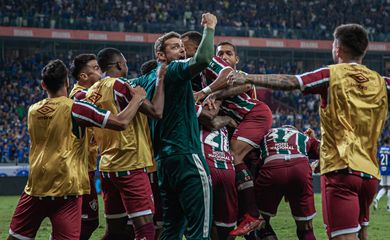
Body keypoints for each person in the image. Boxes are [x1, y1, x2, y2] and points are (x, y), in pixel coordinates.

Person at [229, 24, 388, 240]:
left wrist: (249, 78)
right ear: (365, 50)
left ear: (337, 49)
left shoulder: (332, 75)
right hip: (370, 176)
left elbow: (293, 82)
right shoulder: (382, 82)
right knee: (363, 235)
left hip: (342, 171)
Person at [8, 59, 148, 240]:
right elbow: (121, 122)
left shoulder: (32, 110)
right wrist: (137, 98)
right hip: (67, 189)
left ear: (43, 85)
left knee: (16, 237)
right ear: (67, 82)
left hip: (35, 188)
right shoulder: (76, 108)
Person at [133, 13, 217, 240]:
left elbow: (119, 88)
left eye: (182, 47)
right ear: (160, 55)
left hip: (163, 162)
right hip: (187, 156)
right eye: (174, 47)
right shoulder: (176, 69)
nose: (181, 51)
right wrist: (210, 28)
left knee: (171, 229)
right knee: (200, 231)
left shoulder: (143, 80)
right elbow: (203, 59)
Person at [183, 35, 272, 236]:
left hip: (253, 117)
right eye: (220, 53)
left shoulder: (232, 74)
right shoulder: (205, 77)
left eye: (228, 53)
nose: (223, 56)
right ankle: (250, 218)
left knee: (234, 159)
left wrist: (211, 94)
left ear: (236, 58)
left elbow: (246, 85)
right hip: (240, 128)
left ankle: (252, 215)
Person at [88, 47, 166, 240]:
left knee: (115, 232)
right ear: (119, 65)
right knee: (146, 230)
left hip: (107, 167)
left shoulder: (91, 91)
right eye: (125, 63)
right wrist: (161, 79)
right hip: (131, 163)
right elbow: (156, 111)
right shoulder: (122, 85)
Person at [255, 126, 320, 240]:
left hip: (272, 165)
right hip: (300, 167)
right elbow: (325, 150)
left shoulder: (264, 134)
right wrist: (317, 166)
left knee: (260, 221)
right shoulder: (303, 136)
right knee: (306, 227)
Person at [69, 53, 101, 239]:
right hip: (78, 170)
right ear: (83, 76)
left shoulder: (89, 94)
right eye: (96, 68)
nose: (101, 72)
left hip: (86, 168)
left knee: (89, 222)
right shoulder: (80, 95)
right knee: (86, 222)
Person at [373, 136, 390, 211]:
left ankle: (376, 199)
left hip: (382, 170)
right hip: (389, 170)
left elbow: (378, 159)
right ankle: (388, 207)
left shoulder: (381, 149)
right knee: (389, 188)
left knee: (385, 187)